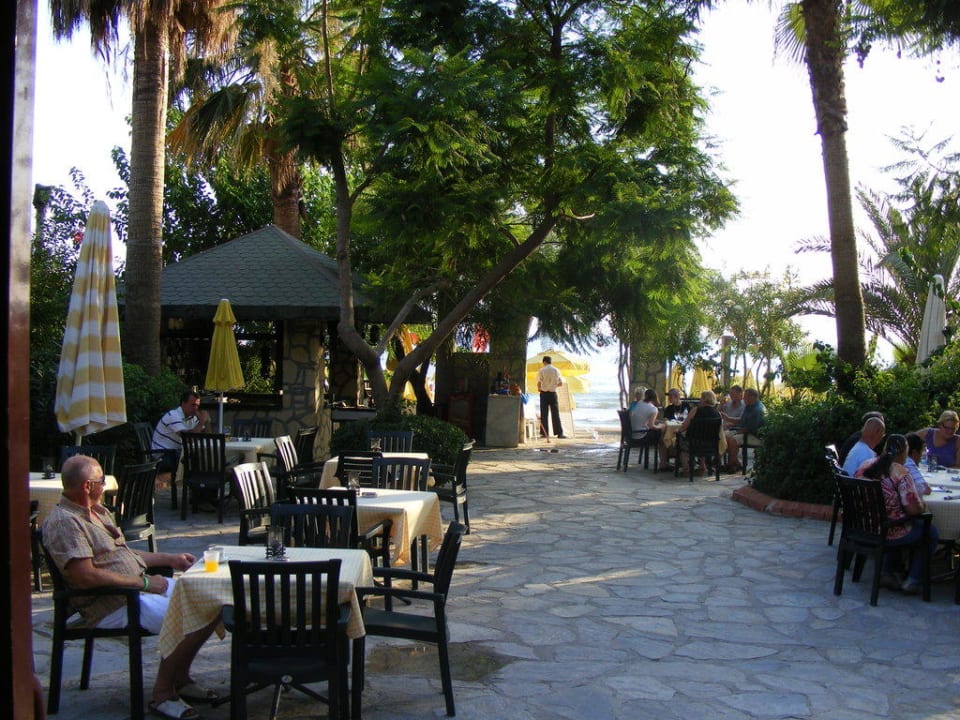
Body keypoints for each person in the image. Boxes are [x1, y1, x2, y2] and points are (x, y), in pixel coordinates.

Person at [41, 455, 220, 719]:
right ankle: (162, 694)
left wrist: (169, 559)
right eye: (102, 481)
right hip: (113, 602)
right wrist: (145, 582)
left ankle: (180, 677)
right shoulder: (66, 522)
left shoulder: (98, 511)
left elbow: (122, 556)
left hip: (135, 591)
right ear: (88, 486)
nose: (106, 485)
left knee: (211, 599)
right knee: (195, 613)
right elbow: (85, 577)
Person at [856, 434, 939, 594]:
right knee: (930, 531)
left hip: (863, 526)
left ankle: (887, 573)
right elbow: (913, 509)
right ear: (904, 453)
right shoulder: (900, 472)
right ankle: (913, 580)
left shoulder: (865, 465)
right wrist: (922, 506)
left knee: (899, 520)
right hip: (887, 531)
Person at [152, 390, 211, 476]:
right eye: (193, 405)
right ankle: (198, 484)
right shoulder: (173, 415)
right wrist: (201, 422)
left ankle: (202, 485)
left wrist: (207, 421)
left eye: (197, 405)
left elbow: (208, 437)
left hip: (175, 453)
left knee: (203, 458)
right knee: (198, 461)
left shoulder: (192, 418)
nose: (195, 408)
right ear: (183, 403)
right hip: (163, 456)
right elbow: (187, 439)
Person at [677, 390, 723, 477]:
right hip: (711, 444)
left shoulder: (696, 410)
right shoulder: (718, 414)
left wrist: (678, 431)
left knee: (681, 443)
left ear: (705, 399)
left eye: (701, 398)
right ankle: (702, 467)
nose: (699, 400)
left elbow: (684, 426)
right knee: (701, 439)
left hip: (693, 444)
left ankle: (686, 469)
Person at [723, 388, 765, 473]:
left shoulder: (757, 410)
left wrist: (736, 432)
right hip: (745, 431)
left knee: (732, 440)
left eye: (745, 397)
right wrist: (728, 419)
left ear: (752, 397)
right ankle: (736, 463)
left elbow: (750, 428)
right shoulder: (749, 406)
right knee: (724, 437)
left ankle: (732, 464)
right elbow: (741, 420)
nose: (743, 399)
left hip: (755, 436)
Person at [536, 356, 566, 439]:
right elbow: (561, 383)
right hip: (553, 393)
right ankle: (559, 433)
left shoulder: (541, 370)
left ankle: (545, 433)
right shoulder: (556, 370)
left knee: (544, 413)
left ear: (544, 362)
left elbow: (539, 382)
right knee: (555, 413)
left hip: (544, 394)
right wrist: (553, 385)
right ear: (550, 362)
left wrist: (539, 388)